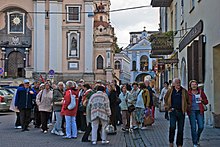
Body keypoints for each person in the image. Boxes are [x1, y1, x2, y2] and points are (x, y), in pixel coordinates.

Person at [164, 78, 191, 147]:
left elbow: (188, 101)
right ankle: (171, 141)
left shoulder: (184, 91)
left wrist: (186, 107)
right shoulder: (170, 91)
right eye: (176, 82)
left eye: (179, 82)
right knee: (172, 127)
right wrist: (167, 107)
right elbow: (165, 99)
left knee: (180, 129)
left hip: (181, 112)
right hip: (172, 111)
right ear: (173, 84)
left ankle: (179, 144)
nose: (178, 84)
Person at [187, 80, 208, 147]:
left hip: (200, 111)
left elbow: (206, 101)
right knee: (193, 127)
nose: (194, 86)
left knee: (201, 126)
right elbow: (185, 102)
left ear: (197, 85)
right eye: (192, 84)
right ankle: (195, 143)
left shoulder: (201, 92)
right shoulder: (188, 93)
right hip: (192, 111)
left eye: (195, 84)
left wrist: (202, 100)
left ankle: (197, 137)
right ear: (190, 86)